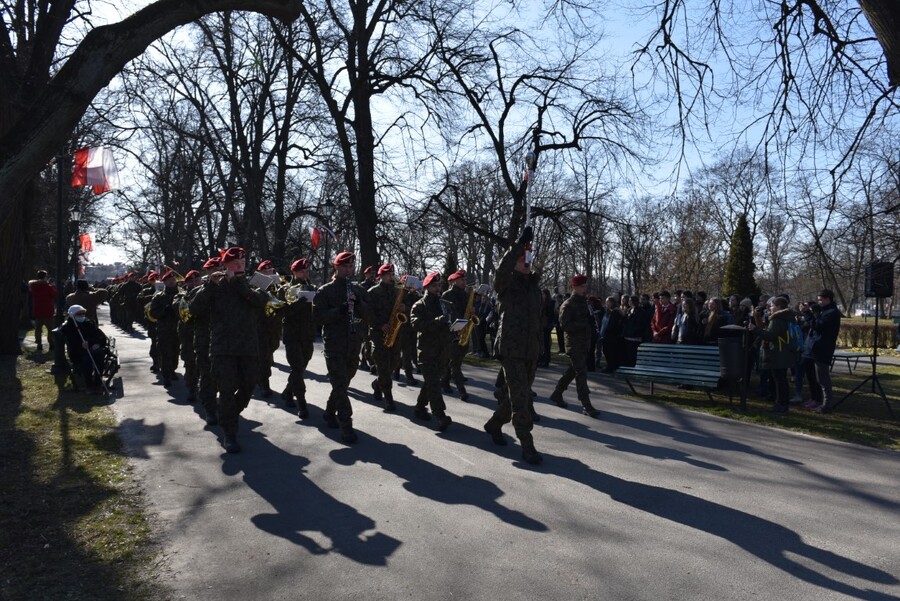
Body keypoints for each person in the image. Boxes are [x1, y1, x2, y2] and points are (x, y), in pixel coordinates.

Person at [191, 247, 269, 453]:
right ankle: (230, 434)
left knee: (249, 385)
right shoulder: (214, 286)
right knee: (225, 390)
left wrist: (238, 283)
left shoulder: (251, 284)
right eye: (235, 263)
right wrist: (210, 286)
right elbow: (194, 309)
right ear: (225, 265)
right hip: (222, 348)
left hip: (248, 347)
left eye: (242, 263)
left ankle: (230, 415)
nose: (239, 266)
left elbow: (261, 301)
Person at [483, 225, 544, 465]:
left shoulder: (533, 287)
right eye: (522, 260)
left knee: (514, 396)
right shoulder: (506, 284)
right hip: (511, 349)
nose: (527, 263)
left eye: (528, 259)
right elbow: (501, 269)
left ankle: (494, 424)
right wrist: (518, 244)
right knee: (521, 401)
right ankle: (527, 446)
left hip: (530, 351)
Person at [313, 251, 372, 444]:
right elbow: (319, 318)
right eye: (344, 266)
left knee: (343, 383)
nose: (348, 270)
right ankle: (346, 425)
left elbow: (369, 315)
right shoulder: (325, 291)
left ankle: (330, 412)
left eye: (350, 267)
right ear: (336, 268)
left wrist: (359, 303)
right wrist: (340, 309)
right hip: (334, 344)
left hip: (354, 343)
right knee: (339, 383)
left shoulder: (358, 289)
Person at [550, 275, 600, 417]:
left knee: (573, 371)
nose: (585, 288)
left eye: (585, 286)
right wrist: (584, 323)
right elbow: (564, 325)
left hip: (584, 343)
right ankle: (586, 404)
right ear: (575, 287)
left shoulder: (585, 303)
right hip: (573, 344)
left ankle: (557, 393)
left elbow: (590, 320)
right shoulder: (568, 304)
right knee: (581, 373)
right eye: (582, 286)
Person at [410, 271, 453, 431]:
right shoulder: (419, 305)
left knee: (431, 382)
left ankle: (420, 408)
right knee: (434, 383)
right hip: (427, 351)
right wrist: (436, 321)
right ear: (427, 287)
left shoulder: (445, 304)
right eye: (434, 286)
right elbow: (416, 325)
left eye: (439, 285)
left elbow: (448, 324)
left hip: (442, 350)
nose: (437, 288)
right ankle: (440, 415)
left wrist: (456, 327)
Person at [280, 258, 317, 418]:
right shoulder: (285, 289)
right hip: (292, 334)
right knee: (296, 367)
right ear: (294, 272)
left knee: (301, 367)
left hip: (307, 334)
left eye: (307, 271)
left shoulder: (312, 287)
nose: (305, 273)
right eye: (302, 271)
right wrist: (299, 303)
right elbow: (282, 311)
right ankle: (301, 403)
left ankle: (288, 392)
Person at [749, 295, 795, 413]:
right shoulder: (786, 317)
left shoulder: (777, 319)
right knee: (781, 380)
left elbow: (770, 336)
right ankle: (781, 404)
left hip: (778, 352)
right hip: (783, 352)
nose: (770, 307)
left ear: (779, 307)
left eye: (772, 305)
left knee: (779, 380)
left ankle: (781, 405)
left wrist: (755, 329)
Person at [367, 263, 402, 412]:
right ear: (381, 276)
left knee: (393, 363)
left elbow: (405, 306)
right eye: (388, 274)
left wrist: (404, 307)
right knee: (382, 365)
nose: (391, 276)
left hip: (394, 332)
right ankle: (388, 397)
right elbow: (367, 313)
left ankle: (377, 384)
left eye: (392, 273)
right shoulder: (373, 292)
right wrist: (380, 325)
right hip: (378, 333)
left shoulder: (397, 292)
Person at [61, 304, 108, 393]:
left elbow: (100, 335)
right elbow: (71, 342)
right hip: (78, 351)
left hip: (92, 347)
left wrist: (97, 343)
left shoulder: (89, 323)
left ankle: (98, 382)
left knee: (99, 355)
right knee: (87, 359)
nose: (82, 316)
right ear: (72, 315)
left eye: (83, 314)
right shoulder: (68, 327)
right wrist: (81, 345)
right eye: (79, 314)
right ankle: (89, 384)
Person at [253, 259, 282, 397]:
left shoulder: (279, 285)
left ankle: (258, 378)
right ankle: (264, 382)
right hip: (259, 324)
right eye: (265, 272)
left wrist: (279, 287)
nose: (269, 274)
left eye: (270, 271)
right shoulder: (254, 285)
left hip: (274, 325)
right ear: (259, 273)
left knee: (271, 349)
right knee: (263, 356)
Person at [441, 269, 470, 401]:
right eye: (462, 280)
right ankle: (461, 390)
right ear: (455, 281)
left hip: (464, 329)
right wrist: (457, 326)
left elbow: (467, 311)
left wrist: (472, 311)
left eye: (465, 280)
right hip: (452, 332)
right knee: (454, 362)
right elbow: (447, 313)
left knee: (452, 360)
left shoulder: (465, 295)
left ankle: (445, 381)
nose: (464, 282)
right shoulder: (447, 294)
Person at [811, 289, 841, 413]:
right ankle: (824, 403)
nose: (819, 302)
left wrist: (814, 315)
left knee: (823, 378)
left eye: (821, 299)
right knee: (820, 377)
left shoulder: (832, 312)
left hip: (824, 347)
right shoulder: (827, 311)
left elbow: (818, 326)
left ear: (828, 299)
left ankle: (826, 404)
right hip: (820, 346)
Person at [149, 270, 181, 387]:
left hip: (178, 329)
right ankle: (166, 375)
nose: (173, 282)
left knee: (175, 352)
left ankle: (172, 370)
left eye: (174, 280)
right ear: (165, 282)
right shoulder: (159, 297)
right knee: (165, 353)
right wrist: (164, 311)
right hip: (164, 330)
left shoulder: (181, 295)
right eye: (170, 280)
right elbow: (153, 312)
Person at [176, 270, 203, 403]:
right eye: (191, 281)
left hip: (204, 334)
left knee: (204, 365)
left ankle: (204, 390)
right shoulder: (181, 296)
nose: (194, 283)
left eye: (197, 280)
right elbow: (179, 309)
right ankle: (192, 389)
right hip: (188, 334)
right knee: (190, 364)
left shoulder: (206, 293)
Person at [28, 270, 57, 352]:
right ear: (45, 277)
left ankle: (39, 344)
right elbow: (54, 294)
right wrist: (53, 286)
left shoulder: (33, 286)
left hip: (37, 310)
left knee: (38, 329)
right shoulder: (48, 287)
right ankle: (51, 344)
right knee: (50, 329)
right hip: (47, 310)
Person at [599, 295, 625, 372]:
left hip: (611, 336)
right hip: (606, 335)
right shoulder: (608, 311)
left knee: (610, 352)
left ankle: (611, 367)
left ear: (611, 303)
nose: (606, 304)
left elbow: (613, 325)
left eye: (607, 302)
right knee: (606, 351)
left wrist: (607, 330)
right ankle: (609, 366)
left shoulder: (615, 312)